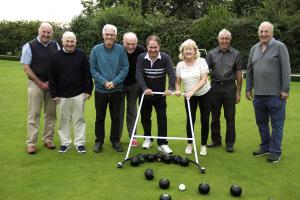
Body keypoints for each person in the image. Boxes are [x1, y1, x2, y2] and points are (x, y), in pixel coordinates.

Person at [246, 21, 291, 163]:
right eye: (261, 31)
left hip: (276, 95)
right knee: (261, 123)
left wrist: (285, 89)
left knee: (277, 124)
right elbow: (250, 70)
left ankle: (275, 151)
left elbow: (286, 69)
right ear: (258, 33)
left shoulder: (280, 47)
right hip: (258, 95)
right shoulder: (254, 48)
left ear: (272, 33)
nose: (263, 34)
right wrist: (248, 88)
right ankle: (265, 147)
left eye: (266, 31)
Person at [48, 31, 93, 153]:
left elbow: (87, 74)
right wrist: (54, 94)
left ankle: (80, 143)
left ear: (75, 42)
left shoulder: (81, 55)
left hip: (79, 93)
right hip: (62, 95)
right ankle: (65, 143)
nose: (70, 43)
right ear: (62, 41)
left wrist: (88, 90)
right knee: (64, 120)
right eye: (67, 41)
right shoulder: (55, 57)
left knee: (79, 119)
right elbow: (52, 77)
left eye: (72, 41)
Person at [20, 22, 60, 154]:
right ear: (39, 31)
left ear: (52, 33)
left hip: (52, 86)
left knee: (51, 114)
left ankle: (48, 139)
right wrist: (40, 83)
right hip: (36, 85)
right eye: (44, 31)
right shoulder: (30, 46)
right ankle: (31, 143)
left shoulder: (56, 45)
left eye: (49, 32)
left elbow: (59, 65)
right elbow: (26, 67)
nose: (46, 34)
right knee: (34, 114)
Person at [90, 24, 129, 153]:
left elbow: (125, 67)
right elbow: (93, 68)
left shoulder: (121, 50)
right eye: (107, 34)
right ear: (103, 35)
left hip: (116, 90)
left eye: (112, 35)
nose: (109, 37)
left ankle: (115, 141)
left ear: (115, 37)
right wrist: (104, 82)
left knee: (116, 118)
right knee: (100, 117)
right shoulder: (96, 49)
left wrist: (115, 82)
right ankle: (99, 141)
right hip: (101, 90)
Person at [136, 35, 176, 154]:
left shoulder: (165, 58)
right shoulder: (141, 57)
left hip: (160, 95)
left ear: (159, 47)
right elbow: (138, 74)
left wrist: (170, 88)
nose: (153, 50)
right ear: (147, 46)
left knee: (162, 118)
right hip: (145, 94)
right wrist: (144, 88)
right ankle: (147, 138)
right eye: (150, 47)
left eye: (155, 47)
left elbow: (171, 73)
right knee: (145, 117)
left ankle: (162, 143)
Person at [205, 29, 243, 153]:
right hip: (214, 87)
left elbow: (239, 73)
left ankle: (230, 143)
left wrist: (238, 92)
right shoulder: (211, 54)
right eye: (222, 38)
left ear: (230, 40)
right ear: (218, 39)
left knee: (230, 116)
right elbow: (204, 71)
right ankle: (216, 140)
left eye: (227, 38)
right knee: (215, 116)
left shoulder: (236, 54)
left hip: (229, 87)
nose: (224, 41)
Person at [175, 39, 211, 156]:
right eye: (186, 49)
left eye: (191, 49)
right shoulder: (180, 65)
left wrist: (192, 91)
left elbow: (204, 79)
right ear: (183, 52)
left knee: (205, 120)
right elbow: (177, 81)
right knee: (190, 120)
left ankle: (204, 145)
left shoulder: (201, 61)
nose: (189, 51)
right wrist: (177, 89)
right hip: (189, 97)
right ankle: (190, 144)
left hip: (204, 94)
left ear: (195, 51)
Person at [119, 32, 146, 147]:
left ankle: (133, 136)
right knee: (118, 112)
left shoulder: (141, 50)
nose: (130, 46)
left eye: (133, 44)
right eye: (128, 44)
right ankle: (116, 138)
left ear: (137, 43)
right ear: (123, 42)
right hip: (119, 84)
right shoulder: (118, 49)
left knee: (132, 111)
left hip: (134, 85)